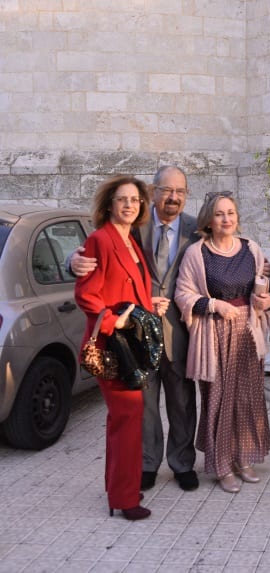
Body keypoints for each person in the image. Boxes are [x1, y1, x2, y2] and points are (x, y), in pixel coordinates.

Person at [71, 165, 201, 493]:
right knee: (144, 402)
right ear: (153, 193)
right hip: (136, 334)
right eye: (166, 190)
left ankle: (182, 463)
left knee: (182, 401)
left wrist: (263, 268)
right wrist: (72, 262)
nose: (173, 197)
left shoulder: (196, 228)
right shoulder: (133, 226)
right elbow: (96, 252)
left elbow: (227, 247)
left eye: (180, 191)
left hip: (179, 330)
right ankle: (147, 463)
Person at [74, 175, 170, 520]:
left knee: (125, 419)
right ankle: (125, 499)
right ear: (109, 204)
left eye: (135, 199)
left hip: (131, 343)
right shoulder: (100, 240)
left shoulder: (130, 240)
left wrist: (148, 303)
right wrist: (115, 322)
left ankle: (120, 488)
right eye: (122, 199)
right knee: (127, 418)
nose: (129, 205)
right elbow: (86, 294)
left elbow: (125, 289)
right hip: (112, 346)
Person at [174, 191, 270, 493]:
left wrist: (265, 297)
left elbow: (262, 284)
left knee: (247, 397)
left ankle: (244, 458)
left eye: (230, 213)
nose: (226, 219)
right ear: (209, 220)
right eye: (219, 214)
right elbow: (183, 294)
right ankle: (221, 465)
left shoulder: (250, 248)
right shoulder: (197, 253)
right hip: (214, 334)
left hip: (247, 331)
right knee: (219, 399)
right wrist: (214, 305)